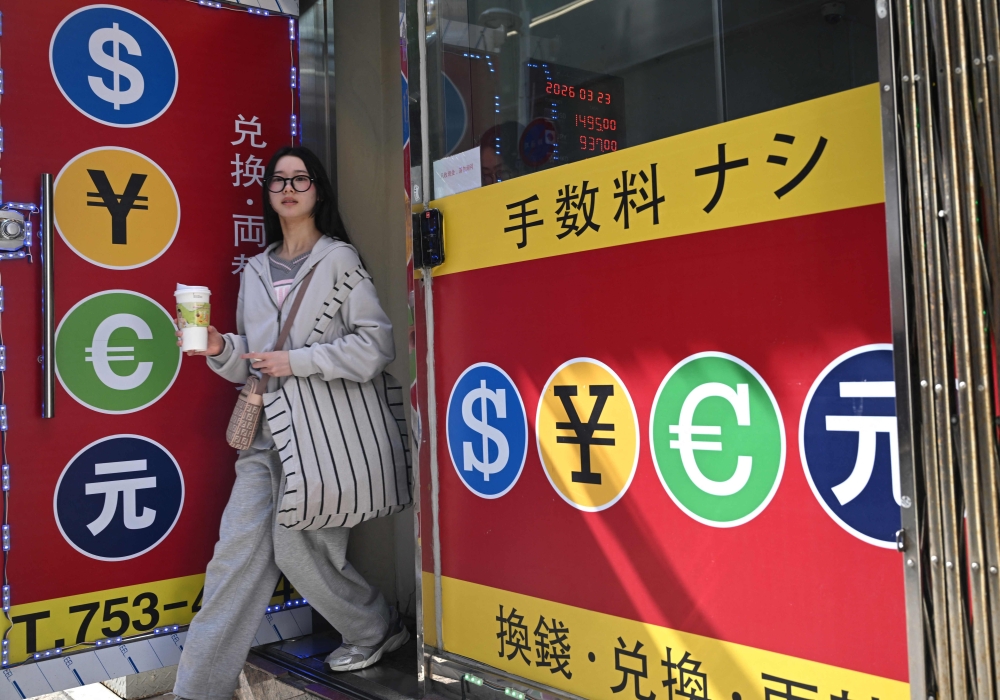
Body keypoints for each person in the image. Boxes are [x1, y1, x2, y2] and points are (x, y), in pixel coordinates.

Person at [172, 146, 409, 700]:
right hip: (263, 437)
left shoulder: (340, 261)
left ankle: (375, 627)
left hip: (323, 438)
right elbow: (251, 357)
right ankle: (196, 691)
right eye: (279, 179)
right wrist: (216, 346)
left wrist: (297, 362)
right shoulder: (255, 269)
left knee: (300, 551)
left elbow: (376, 346)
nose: (289, 186)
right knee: (232, 560)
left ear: (317, 191)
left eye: (300, 178)